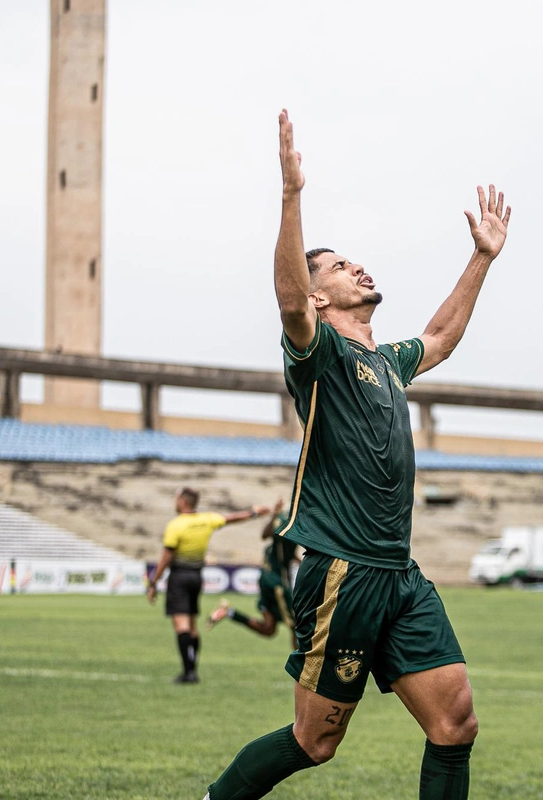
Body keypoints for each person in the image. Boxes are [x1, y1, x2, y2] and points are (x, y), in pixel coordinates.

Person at [202, 109, 511, 800]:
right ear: (320, 294)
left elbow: (439, 336)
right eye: (341, 265)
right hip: (344, 571)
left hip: (399, 573)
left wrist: (481, 257)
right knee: (315, 741)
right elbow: (287, 301)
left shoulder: (387, 360)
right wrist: (291, 200)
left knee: (455, 723)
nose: (358, 267)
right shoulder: (322, 353)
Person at [146, 488, 274, 683]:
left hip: (179, 576)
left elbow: (166, 556)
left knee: (181, 625)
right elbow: (231, 518)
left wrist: (154, 582)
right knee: (192, 625)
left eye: (176, 498)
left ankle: (188, 672)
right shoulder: (206, 519)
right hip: (196, 576)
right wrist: (253, 512)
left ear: (182, 502)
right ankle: (192, 667)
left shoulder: (176, 525)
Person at [208, 499, 299, 646]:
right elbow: (266, 534)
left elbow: (273, 542)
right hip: (275, 583)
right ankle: (303, 666)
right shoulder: (289, 524)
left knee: (269, 629)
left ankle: (229, 612)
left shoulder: (276, 548)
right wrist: (275, 516)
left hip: (266, 580)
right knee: (296, 625)